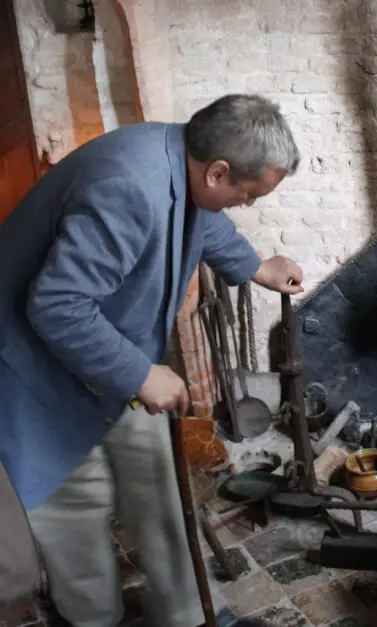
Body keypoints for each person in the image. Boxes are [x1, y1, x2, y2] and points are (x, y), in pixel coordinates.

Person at [0, 94, 304, 627]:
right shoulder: (128, 187)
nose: (248, 205)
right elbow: (56, 304)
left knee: (161, 487)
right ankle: (94, 620)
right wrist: (139, 373)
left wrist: (254, 267)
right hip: (35, 368)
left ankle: (188, 616)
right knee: (78, 505)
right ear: (218, 170)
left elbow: (203, 219)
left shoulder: (180, 158)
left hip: (109, 354)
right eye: (247, 194)